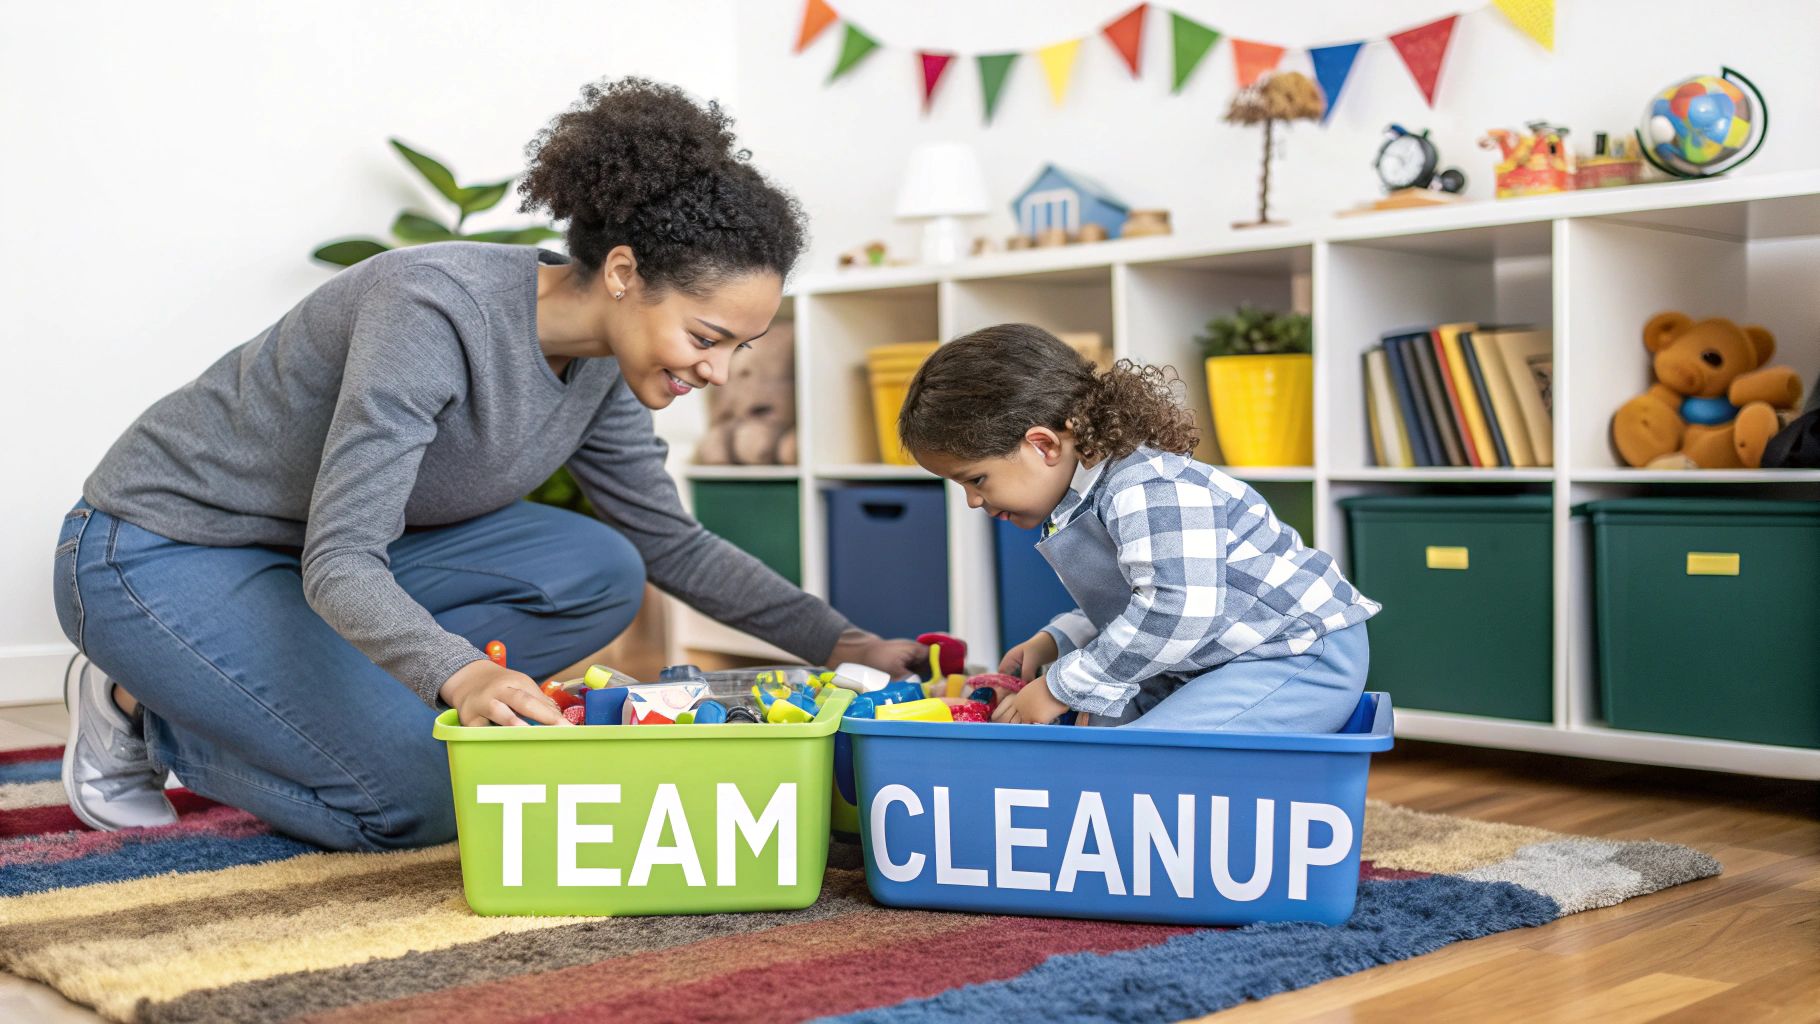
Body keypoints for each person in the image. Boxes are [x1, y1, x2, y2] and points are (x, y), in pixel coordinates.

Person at [52, 77, 921, 852]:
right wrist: (462, 675)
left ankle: (296, 696)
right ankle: (146, 708)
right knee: (428, 798)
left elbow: (669, 543)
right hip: (158, 553)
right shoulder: (431, 310)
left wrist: (844, 643)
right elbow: (343, 559)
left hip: (308, 566)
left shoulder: (606, 370)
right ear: (623, 272)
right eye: (707, 337)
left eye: (741, 347)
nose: (720, 372)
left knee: (596, 567)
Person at [898, 323, 1378, 731]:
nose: (973, 501)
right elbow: (1133, 598)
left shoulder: (1147, 487)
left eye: (976, 479)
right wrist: (1059, 640)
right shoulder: (1087, 494)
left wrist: (1061, 685)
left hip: (1293, 655)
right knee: (1100, 726)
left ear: (1043, 445)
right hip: (1209, 661)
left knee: (1147, 751)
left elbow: (1177, 609)